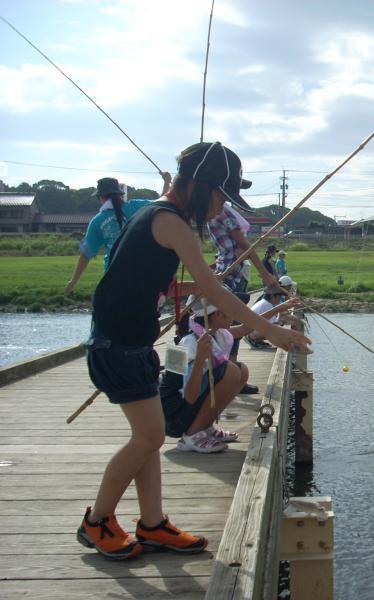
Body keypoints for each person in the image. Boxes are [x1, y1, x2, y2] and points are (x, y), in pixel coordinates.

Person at [77, 141, 311, 560]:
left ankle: (152, 524)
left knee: (146, 440)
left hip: (131, 342)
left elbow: (168, 279)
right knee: (148, 436)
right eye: (221, 196)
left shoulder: (156, 215)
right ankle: (97, 521)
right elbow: (212, 289)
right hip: (117, 346)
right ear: (201, 186)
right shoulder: (170, 223)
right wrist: (271, 332)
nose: (221, 208)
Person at [159, 296, 250, 453]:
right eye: (229, 310)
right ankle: (192, 436)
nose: (233, 314)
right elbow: (189, 396)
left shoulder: (214, 334)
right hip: (172, 418)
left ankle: (205, 427)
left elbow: (245, 329)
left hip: (186, 409)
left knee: (241, 371)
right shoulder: (188, 342)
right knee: (231, 371)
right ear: (217, 315)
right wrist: (200, 358)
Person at [64, 173, 171, 294]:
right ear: (119, 194)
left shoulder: (97, 221)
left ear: (101, 197)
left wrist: (73, 281)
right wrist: (167, 181)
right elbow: (161, 202)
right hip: (143, 275)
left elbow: (86, 254)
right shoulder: (135, 206)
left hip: (113, 279)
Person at [207, 202, 279, 371]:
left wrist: (265, 274)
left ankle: (231, 368)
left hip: (232, 275)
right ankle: (228, 369)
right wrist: (265, 274)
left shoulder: (217, 211)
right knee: (228, 323)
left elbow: (240, 247)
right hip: (229, 274)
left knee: (230, 323)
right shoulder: (218, 211)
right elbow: (238, 247)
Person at [244, 284, 302, 348]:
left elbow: (273, 321)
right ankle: (253, 340)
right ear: (272, 296)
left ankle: (296, 344)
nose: (280, 299)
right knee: (281, 329)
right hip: (251, 332)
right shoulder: (266, 305)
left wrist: (281, 317)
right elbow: (274, 324)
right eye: (279, 297)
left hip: (253, 330)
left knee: (289, 321)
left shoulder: (265, 302)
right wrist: (282, 320)